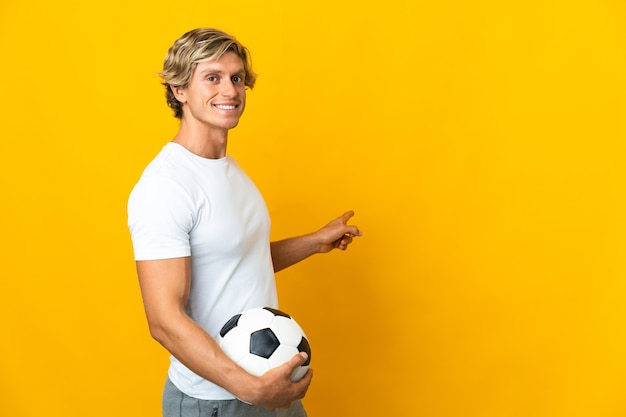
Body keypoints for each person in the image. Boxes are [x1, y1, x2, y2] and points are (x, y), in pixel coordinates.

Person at [127, 28, 361, 417]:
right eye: (213, 77)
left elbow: (234, 262)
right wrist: (250, 387)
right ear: (179, 90)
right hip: (214, 398)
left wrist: (314, 242)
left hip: (268, 380)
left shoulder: (229, 169)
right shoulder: (166, 186)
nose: (230, 91)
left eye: (237, 78)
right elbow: (164, 321)